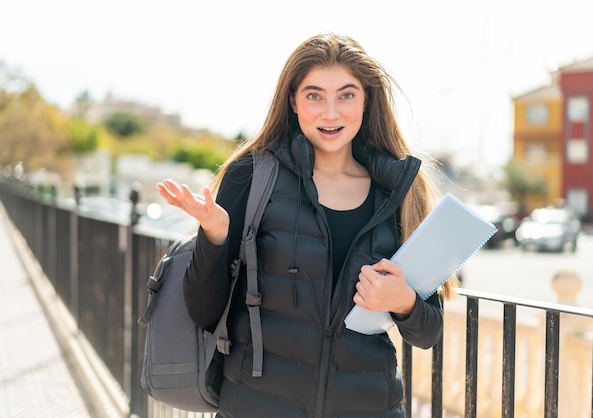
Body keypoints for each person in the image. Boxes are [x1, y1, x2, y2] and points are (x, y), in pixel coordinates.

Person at [157, 32, 457, 418]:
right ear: (293, 101)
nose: (331, 113)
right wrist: (214, 237)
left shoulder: (397, 189)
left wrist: (404, 302)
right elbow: (203, 310)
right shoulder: (251, 176)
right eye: (315, 95)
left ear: (367, 100)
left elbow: (428, 332)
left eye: (346, 95)